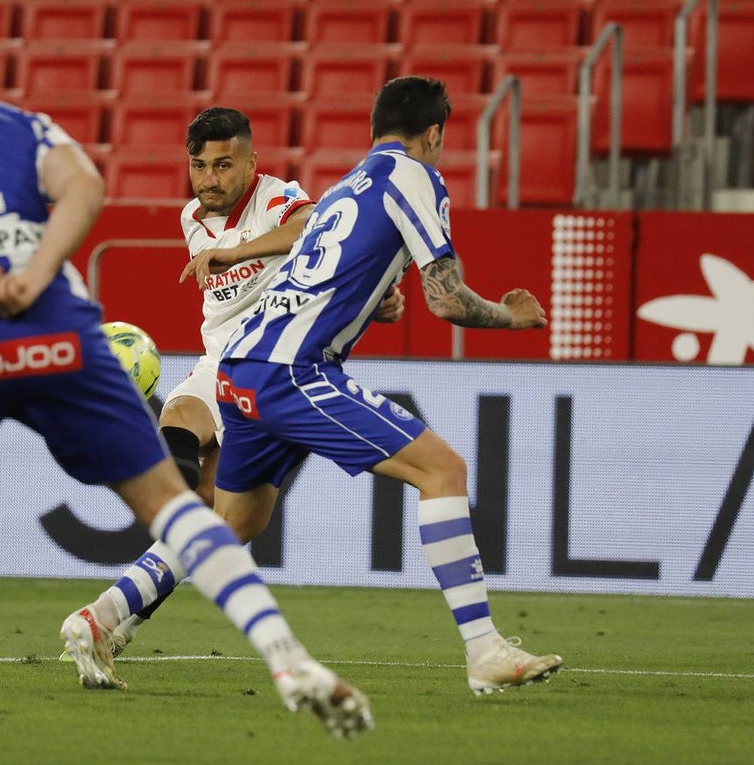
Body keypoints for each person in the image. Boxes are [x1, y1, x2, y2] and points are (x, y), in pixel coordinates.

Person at [0, 2, 372, 765]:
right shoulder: (25, 127)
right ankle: (288, 657)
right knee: (188, 507)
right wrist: (33, 274)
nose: (209, 177)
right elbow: (86, 188)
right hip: (64, 324)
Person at [79, 76, 564, 697]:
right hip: (291, 372)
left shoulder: (342, 190)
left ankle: (104, 617)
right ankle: (485, 650)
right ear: (435, 134)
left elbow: (327, 273)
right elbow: (445, 299)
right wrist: (509, 316)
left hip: (240, 368)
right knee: (443, 471)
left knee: (232, 522)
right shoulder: (415, 178)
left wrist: (373, 302)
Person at [61, 107, 404, 659]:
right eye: (199, 165)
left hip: (276, 363)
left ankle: (113, 614)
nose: (209, 179)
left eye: (224, 165)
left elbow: (314, 229)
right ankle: (107, 619)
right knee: (177, 423)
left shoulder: (274, 197)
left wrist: (236, 252)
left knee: (228, 528)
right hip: (219, 358)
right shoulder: (191, 218)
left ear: (252, 162)